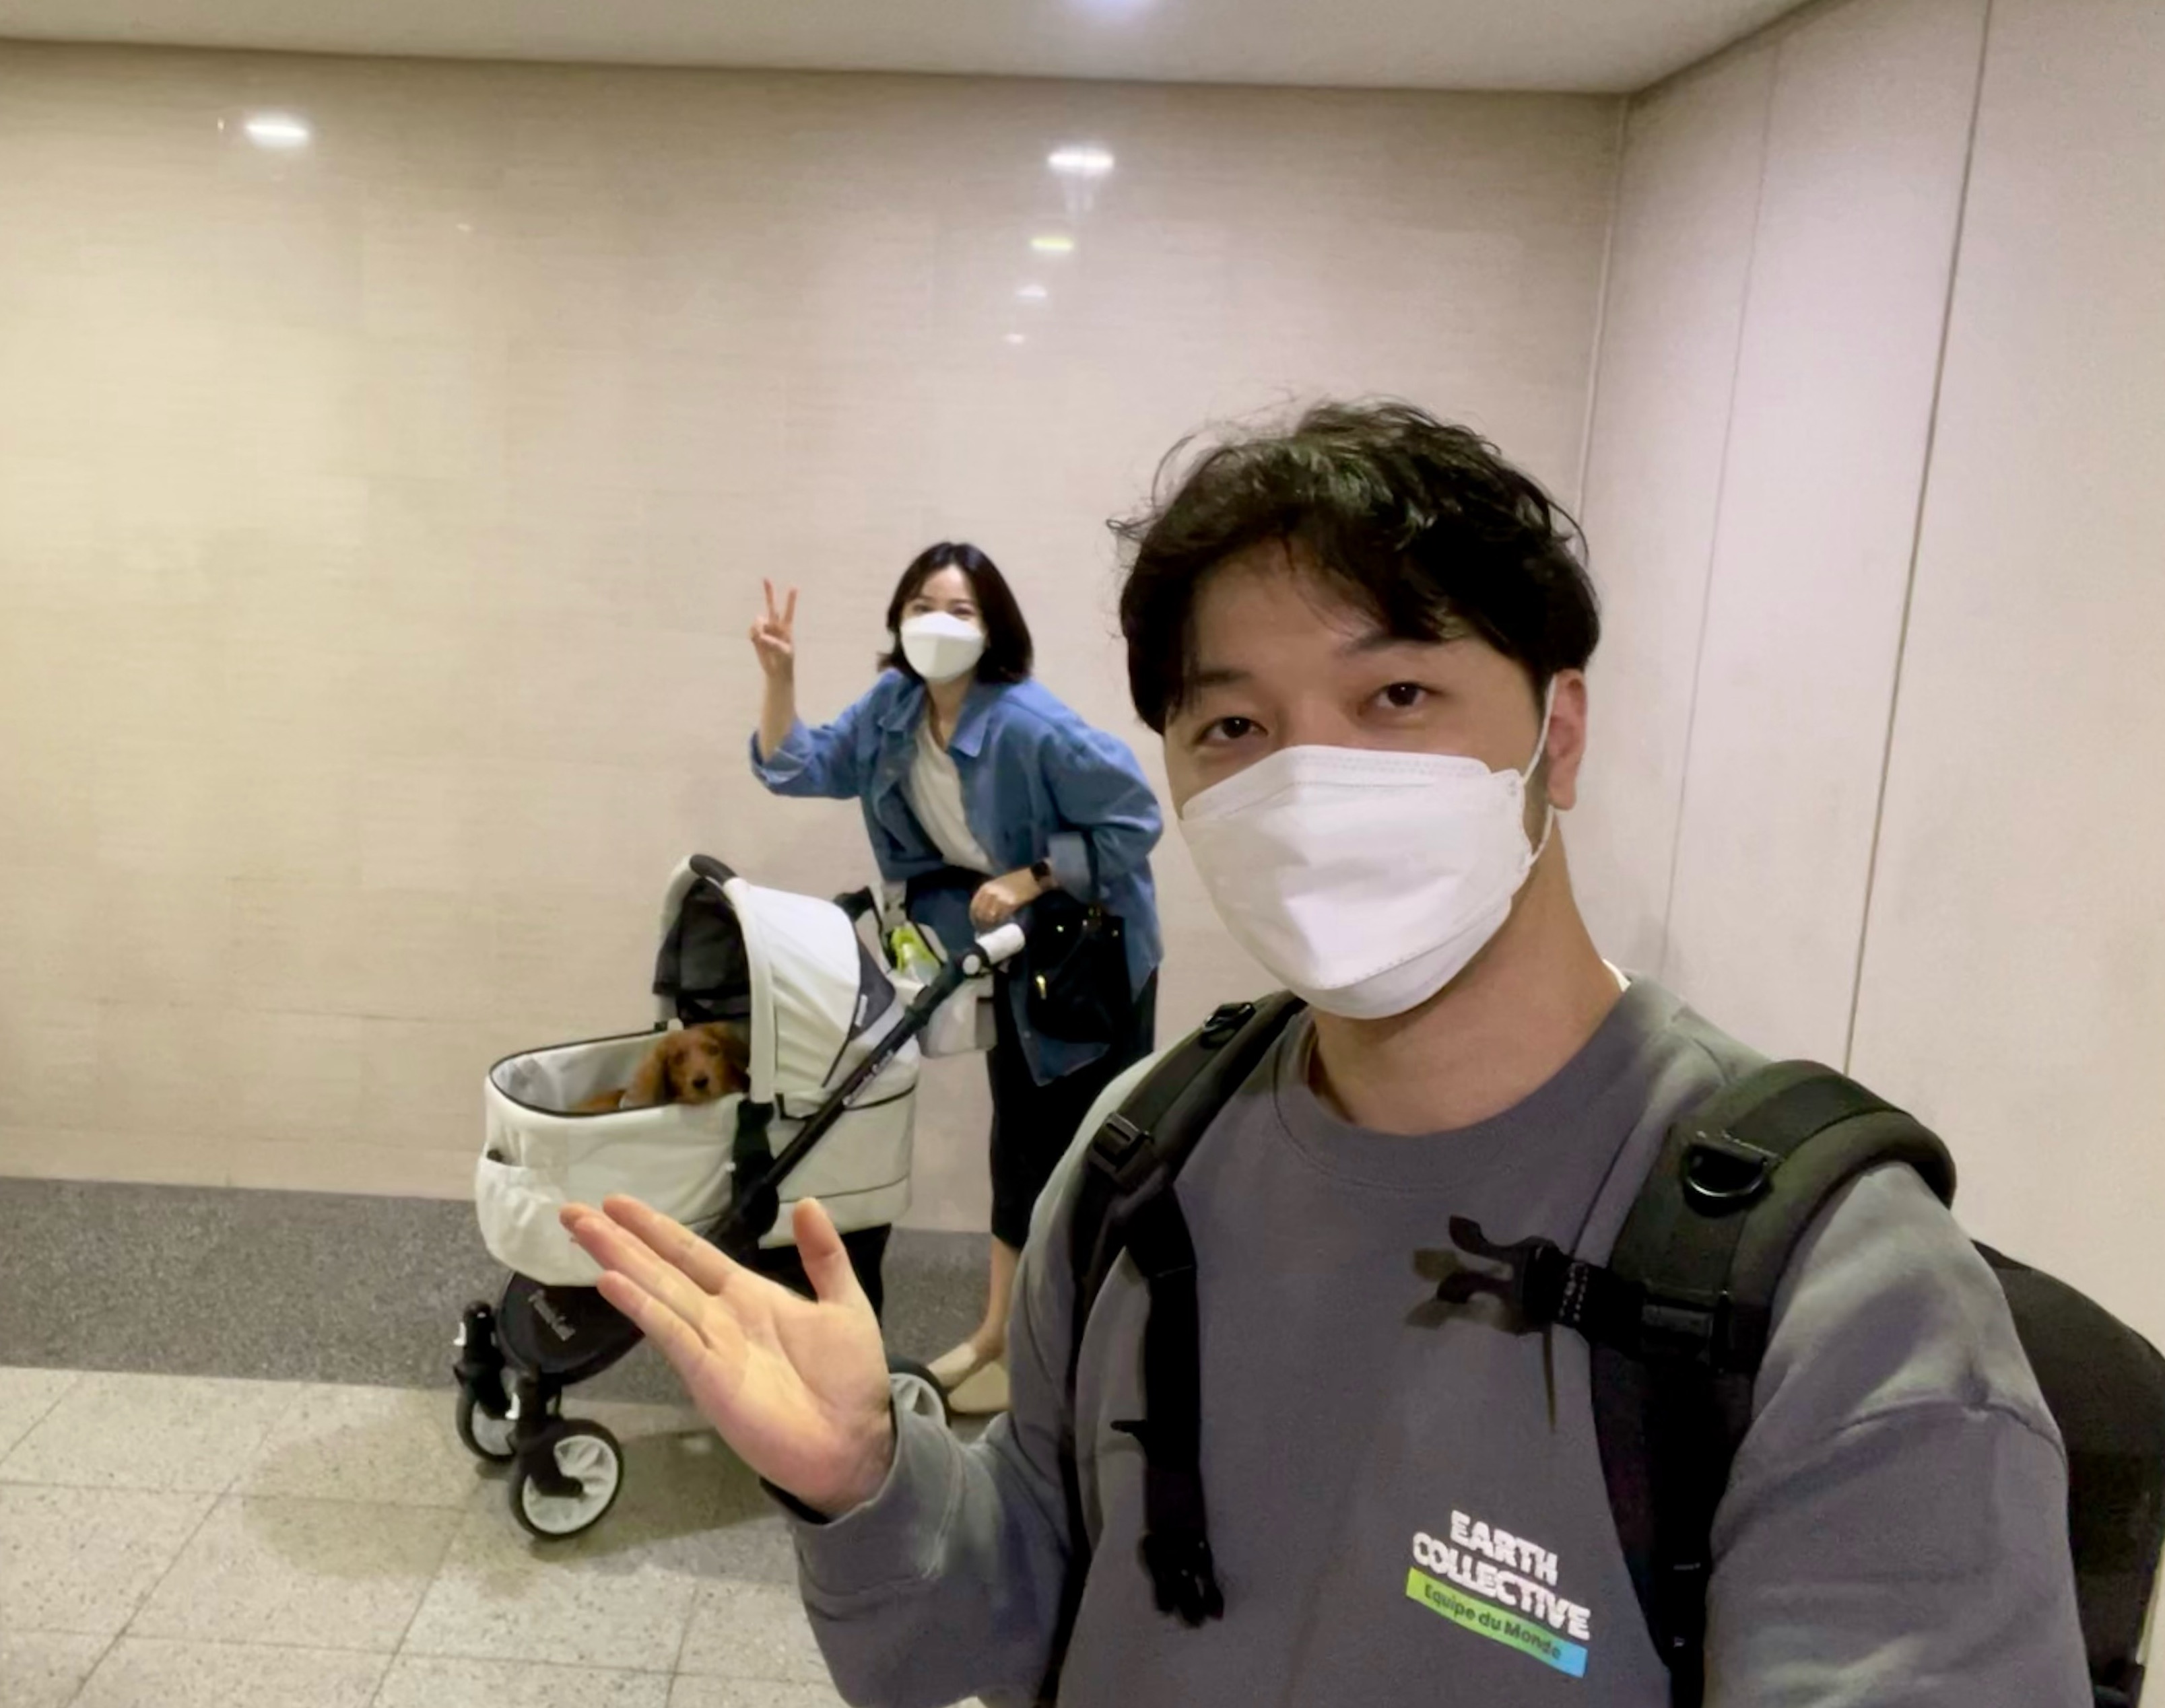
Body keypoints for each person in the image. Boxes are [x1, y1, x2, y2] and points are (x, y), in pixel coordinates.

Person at [563, 406, 2088, 1705]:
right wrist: (870, 1483)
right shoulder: (1145, 1157)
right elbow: (1011, 1610)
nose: (1308, 784)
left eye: (1397, 697)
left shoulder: (1846, 1310)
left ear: (1558, 734)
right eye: (1233, 728)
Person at [745, 541, 1162, 1413]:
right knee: (1021, 1143)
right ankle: (1003, 1338)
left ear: (993, 629)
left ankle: (1077, 1355)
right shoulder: (895, 709)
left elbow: (1135, 821)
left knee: (1084, 1156)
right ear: (899, 619)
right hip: (1009, 948)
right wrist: (780, 677)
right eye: (923, 606)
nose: (938, 624)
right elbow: (797, 766)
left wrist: (1032, 877)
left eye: (961, 611)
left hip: (1085, 955)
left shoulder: (1031, 726)